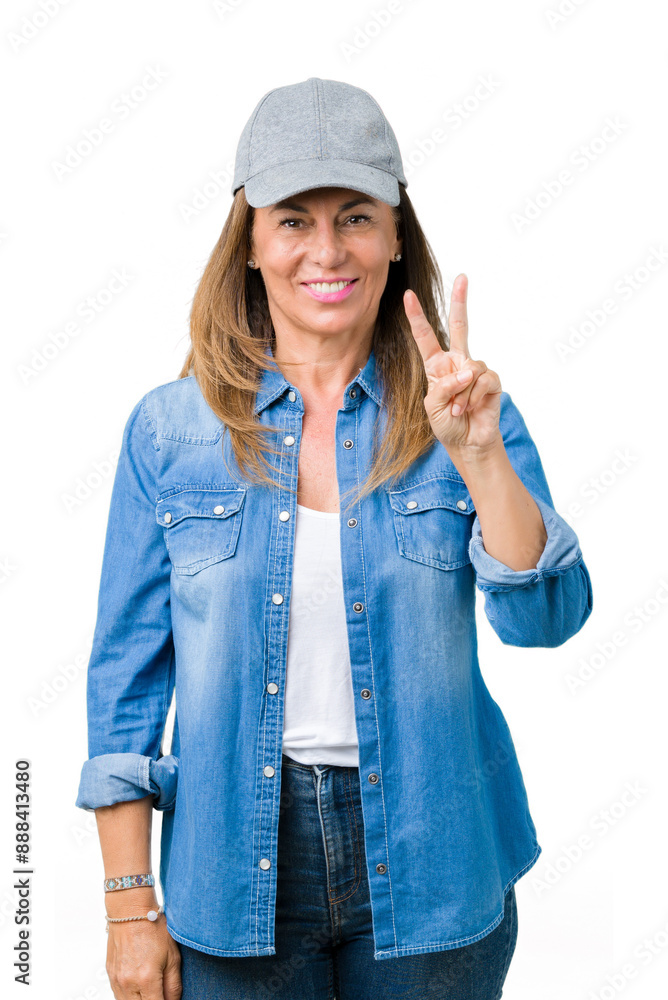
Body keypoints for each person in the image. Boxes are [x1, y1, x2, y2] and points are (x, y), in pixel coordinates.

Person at [74, 77, 593, 999]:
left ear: (397, 238)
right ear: (250, 245)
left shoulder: (463, 408)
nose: (326, 250)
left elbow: (547, 618)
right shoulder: (168, 432)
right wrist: (127, 907)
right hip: (232, 862)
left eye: (355, 216)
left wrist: (476, 455)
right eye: (293, 220)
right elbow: (126, 684)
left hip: (438, 852)